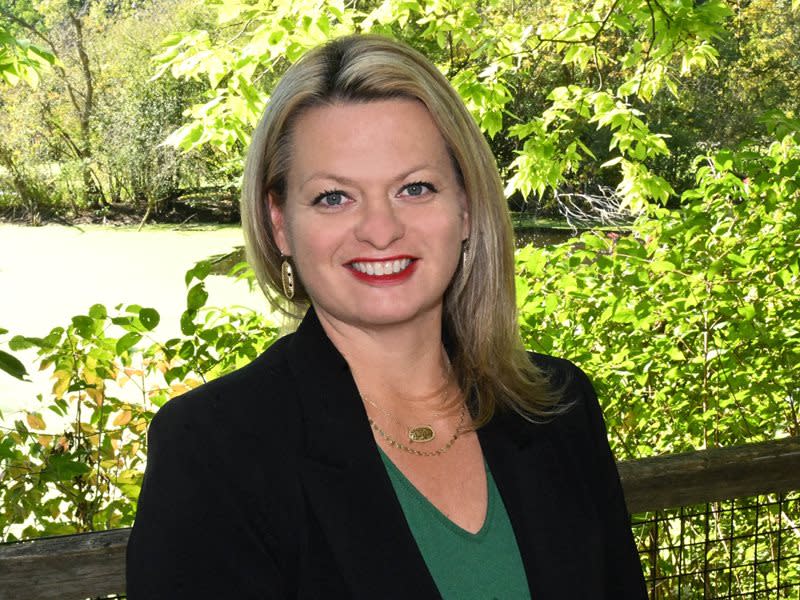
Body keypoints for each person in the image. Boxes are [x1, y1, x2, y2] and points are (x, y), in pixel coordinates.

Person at [126, 34, 647, 599]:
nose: (380, 229)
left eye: (415, 188)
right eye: (334, 197)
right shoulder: (214, 453)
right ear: (280, 224)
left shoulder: (559, 408)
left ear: (466, 207)